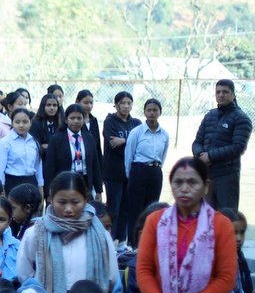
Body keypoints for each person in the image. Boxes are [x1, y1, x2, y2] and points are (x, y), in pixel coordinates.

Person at [136, 157, 237, 293]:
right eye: (178, 182)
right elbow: (144, 270)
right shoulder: (155, 221)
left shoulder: (221, 224)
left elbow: (226, 278)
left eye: (192, 182)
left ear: (206, 187)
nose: (184, 189)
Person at [16, 171, 118, 293]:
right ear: (51, 199)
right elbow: (24, 273)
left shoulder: (100, 234)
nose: (69, 209)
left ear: (85, 200)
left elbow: (112, 276)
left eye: (75, 202)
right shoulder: (36, 232)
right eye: (62, 202)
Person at [192, 79, 252, 210]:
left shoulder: (241, 118)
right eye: (218, 92)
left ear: (233, 95)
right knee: (204, 214)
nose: (221, 95)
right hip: (205, 174)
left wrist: (210, 156)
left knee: (226, 215)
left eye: (225, 92)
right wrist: (200, 155)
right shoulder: (209, 116)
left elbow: (238, 147)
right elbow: (197, 142)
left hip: (226, 175)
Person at [122, 99, 171, 243]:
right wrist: (130, 174)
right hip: (138, 171)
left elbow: (163, 155)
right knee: (135, 209)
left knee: (152, 208)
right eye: (149, 110)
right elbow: (129, 155)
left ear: (160, 112)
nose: (152, 113)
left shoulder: (164, 134)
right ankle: (133, 243)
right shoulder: (137, 132)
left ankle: (148, 241)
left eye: (155, 110)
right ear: (144, 112)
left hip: (155, 172)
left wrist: (156, 168)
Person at [101, 92, 141, 246]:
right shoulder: (110, 122)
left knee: (127, 208)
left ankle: (122, 240)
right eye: (122, 103)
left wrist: (124, 140)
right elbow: (113, 144)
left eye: (129, 103)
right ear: (116, 105)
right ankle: (110, 239)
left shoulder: (136, 123)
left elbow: (141, 143)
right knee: (114, 208)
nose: (126, 106)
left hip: (130, 172)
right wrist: (131, 142)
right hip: (113, 172)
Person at [43, 103, 103, 200]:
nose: (76, 121)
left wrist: (99, 190)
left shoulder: (89, 138)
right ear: (66, 120)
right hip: (64, 183)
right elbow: (50, 167)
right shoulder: (56, 139)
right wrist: (49, 192)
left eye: (79, 118)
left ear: (83, 120)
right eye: (72, 118)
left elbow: (95, 165)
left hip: (84, 182)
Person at [0, 108, 42, 194]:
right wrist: (1, 192)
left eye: (25, 122)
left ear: (30, 123)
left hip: (31, 182)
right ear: (12, 123)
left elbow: (38, 167)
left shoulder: (34, 142)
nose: (21, 125)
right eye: (17, 122)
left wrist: (41, 189)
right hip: (12, 183)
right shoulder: (5, 142)